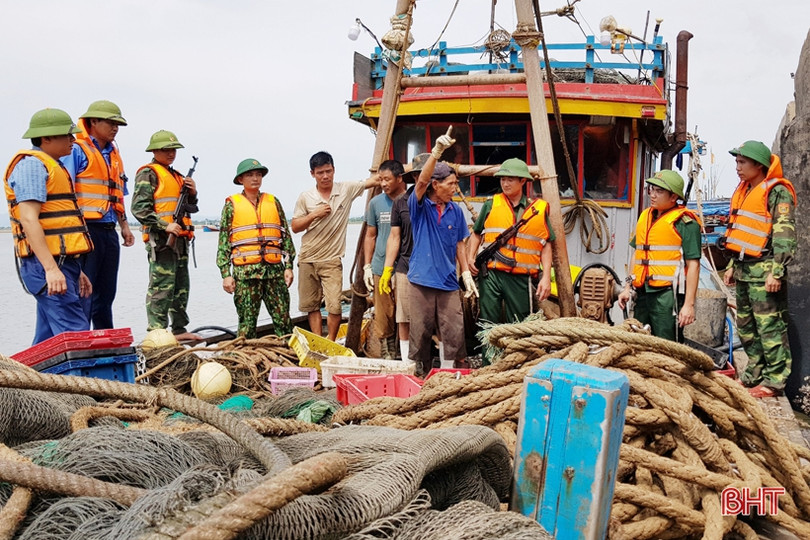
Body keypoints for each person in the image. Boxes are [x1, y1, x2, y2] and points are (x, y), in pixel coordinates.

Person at [3, 108, 93, 344]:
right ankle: (87, 381)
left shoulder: (54, 166)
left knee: (47, 340)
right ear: (46, 138)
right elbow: (29, 219)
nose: (73, 140)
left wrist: (77, 271)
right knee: (77, 336)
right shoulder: (33, 166)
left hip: (64, 264)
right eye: (67, 135)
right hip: (46, 266)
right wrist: (52, 270)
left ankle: (27, 380)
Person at [722, 140, 796, 398]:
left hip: (764, 272)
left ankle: (774, 382)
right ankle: (753, 375)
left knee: (770, 327)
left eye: (742, 163)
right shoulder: (744, 191)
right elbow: (741, 233)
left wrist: (777, 271)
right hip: (744, 270)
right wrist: (731, 266)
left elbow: (784, 233)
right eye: (736, 162)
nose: (738, 168)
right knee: (746, 327)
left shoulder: (777, 192)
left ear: (759, 165)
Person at [407, 128, 478, 377]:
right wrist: (436, 153)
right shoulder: (419, 207)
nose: (455, 187)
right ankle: (420, 379)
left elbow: (460, 244)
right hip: (421, 282)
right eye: (451, 184)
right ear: (436, 186)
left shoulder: (456, 212)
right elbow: (421, 182)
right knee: (420, 337)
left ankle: (457, 378)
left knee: (455, 335)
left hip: (448, 283)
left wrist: (466, 274)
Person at [466, 158, 554, 352]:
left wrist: (546, 276)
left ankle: (517, 363)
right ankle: (489, 366)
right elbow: (476, 233)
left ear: (523, 181)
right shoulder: (491, 205)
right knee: (488, 324)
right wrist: (470, 257)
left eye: (510, 179)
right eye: (503, 179)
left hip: (521, 278)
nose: (505, 183)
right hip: (490, 274)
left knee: (520, 325)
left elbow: (546, 244)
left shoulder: (537, 209)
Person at [291, 151, 379, 342]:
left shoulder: (345, 189)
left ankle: (330, 340)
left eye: (328, 171)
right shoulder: (306, 197)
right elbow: (295, 226)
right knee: (311, 305)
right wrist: (314, 215)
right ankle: (317, 341)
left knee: (334, 306)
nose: (325, 176)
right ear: (312, 173)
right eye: (320, 172)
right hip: (307, 258)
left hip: (331, 260)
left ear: (334, 170)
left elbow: (375, 180)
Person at [62, 100, 134, 329]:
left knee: (107, 292)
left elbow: (118, 194)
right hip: (85, 231)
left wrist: (124, 225)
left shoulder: (113, 154)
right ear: (93, 122)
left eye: (118, 124)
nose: (115, 128)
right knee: (85, 291)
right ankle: (82, 341)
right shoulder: (77, 150)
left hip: (108, 230)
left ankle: (106, 339)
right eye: (111, 123)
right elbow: (65, 190)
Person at [618, 170, 700, 341]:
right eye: (651, 189)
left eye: (659, 191)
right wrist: (628, 287)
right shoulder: (645, 216)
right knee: (638, 341)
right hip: (642, 293)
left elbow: (693, 265)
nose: (652, 195)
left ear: (673, 197)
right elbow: (637, 255)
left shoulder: (685, 223)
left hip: (667, 296)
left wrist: (688, 305)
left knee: (667, 344)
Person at [217, 159, 295, 338]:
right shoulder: (231, 205)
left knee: (284, 321)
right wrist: (225, 274)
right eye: (250, 175)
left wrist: (289, 266)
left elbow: (285, 237)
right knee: (247, 324)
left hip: (274, 272)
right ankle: (246, 360)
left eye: (258, 174)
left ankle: (289, 359)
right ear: (240, 179)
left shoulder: (273, 201)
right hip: (246, 274)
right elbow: (223, 243)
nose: (255, 178)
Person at [131, 130, 197, 338]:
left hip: (181, 240)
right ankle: (157, 331)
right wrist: (164, 226)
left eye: (173, 150)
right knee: (161, 286)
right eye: (165, 150)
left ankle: (179, 329)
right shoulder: (148, 173)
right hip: (161, 240)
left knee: (180, 287)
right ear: (155, 151)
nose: (171, 153)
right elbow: (139, 208)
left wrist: (193, 193)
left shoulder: (178, 176)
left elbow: (189, 207)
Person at [379, 153, 429, 362]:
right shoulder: (401, 202)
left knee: (433, 319)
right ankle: (407, 362)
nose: (421, 180)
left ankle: (434, 362)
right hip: (406, 267)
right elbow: (394, 237)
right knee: (405, 318)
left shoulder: (439, 201)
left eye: (426, 176)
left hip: (432, 269)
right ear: (414, 177)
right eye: (418, 175)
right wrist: (387, 269)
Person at [364, 159, 407, 358]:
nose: (383, 184)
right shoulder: (375, 203)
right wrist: (367, 265)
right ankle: (388, 353)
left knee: (406, 311)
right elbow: (371, 235)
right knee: (383, 313)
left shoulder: (411, 200)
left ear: (400, 178)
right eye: (380, 180)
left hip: (405, 266)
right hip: (380, 266)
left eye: (387, 179)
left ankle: (407, 352)